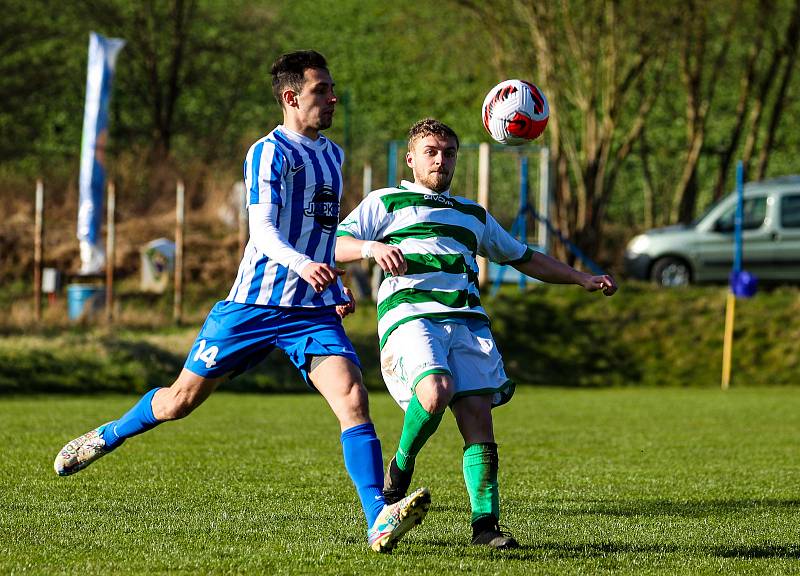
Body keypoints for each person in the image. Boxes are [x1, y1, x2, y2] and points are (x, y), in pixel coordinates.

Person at [53, 50, 429, 554]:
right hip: (251, 306)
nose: (333, 98)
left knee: (353, 398)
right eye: (322, 91)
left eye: (332, 89)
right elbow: (264, 230)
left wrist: (336, 282)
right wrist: (301, 265)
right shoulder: (268, 152)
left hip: (310, 312)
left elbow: (323, 233)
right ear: (292, 97)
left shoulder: (334, 156)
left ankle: (377, 518)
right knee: (178, 402)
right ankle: (110, 434)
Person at [335, 118, 617, 549]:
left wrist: (581, 278)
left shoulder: (472, 214)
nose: (440, 160)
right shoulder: (385, 201)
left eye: (448, 153)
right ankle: (400, 469)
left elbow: (523, 257)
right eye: (430, 151)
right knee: (436, 390)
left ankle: (485, 527)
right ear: (411, 158)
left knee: (478, 419)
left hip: (468, 322)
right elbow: (337, 243)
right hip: (411, 315)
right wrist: (371, 248)